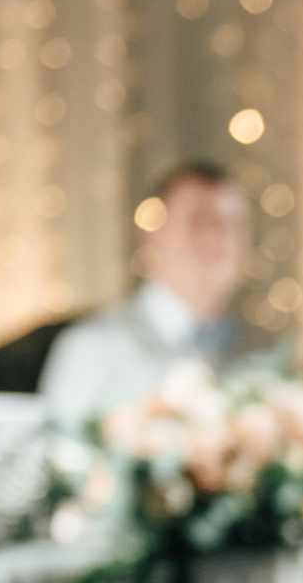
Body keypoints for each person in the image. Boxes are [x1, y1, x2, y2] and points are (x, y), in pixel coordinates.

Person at [38, 160, 287, 428]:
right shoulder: (92, 348)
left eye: (231, 223)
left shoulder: (269, 357)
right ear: (150, 235)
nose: (215, 237)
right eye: (197, 219)